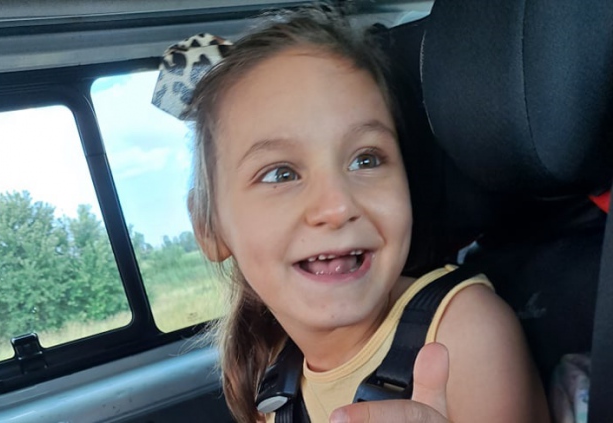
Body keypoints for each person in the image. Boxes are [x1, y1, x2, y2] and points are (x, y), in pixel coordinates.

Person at [180, 6, 549, 423]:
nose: (337, 207)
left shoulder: (459, 335)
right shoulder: (272, 382)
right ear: (209, 228)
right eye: (281, 173)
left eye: (366, 160)